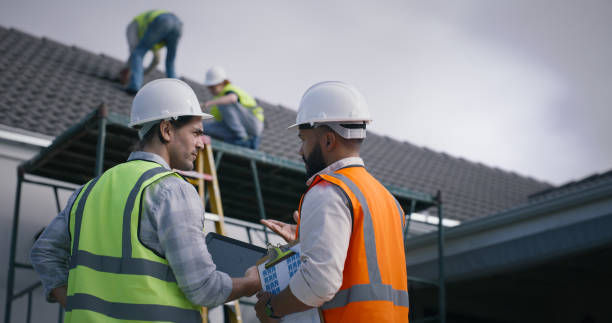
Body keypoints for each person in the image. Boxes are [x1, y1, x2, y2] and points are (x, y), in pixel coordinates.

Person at [31, 79, 261, 323]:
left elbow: (44, 252)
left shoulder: (87, 191)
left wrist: (76, 305)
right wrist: (251, 283)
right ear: (166, 130)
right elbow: (204, 288)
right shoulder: (173, 190)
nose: (200, 144)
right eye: (195, 133)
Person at [255, 81, 409, 322]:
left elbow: (319, 283)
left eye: (303, 140)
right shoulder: (389, 201)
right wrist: (308, 239)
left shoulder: (328, 191)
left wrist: (272, 308)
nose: (300, 151)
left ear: (328, 141)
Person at [201, 66, 264, 149]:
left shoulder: (229, 90)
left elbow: (232, 98)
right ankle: (237, 138)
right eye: (209, 88)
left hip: (252, 124)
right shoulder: (219, 98)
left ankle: (242, 139)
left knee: (223, 102)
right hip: (235, 128)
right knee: (203, 128)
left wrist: (207, 104)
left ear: (222, 83)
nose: (211, 90)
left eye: (213, 87)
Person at [120, 10, 182, 93]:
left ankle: (134, 86)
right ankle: (178, 92)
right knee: (170, 62)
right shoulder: (154, 37)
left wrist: (127, 69)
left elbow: (134, 52)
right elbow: (157, 60)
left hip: (163, 21)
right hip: (178, 25)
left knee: (138, 53)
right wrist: (141, 72)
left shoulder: (134, 27)